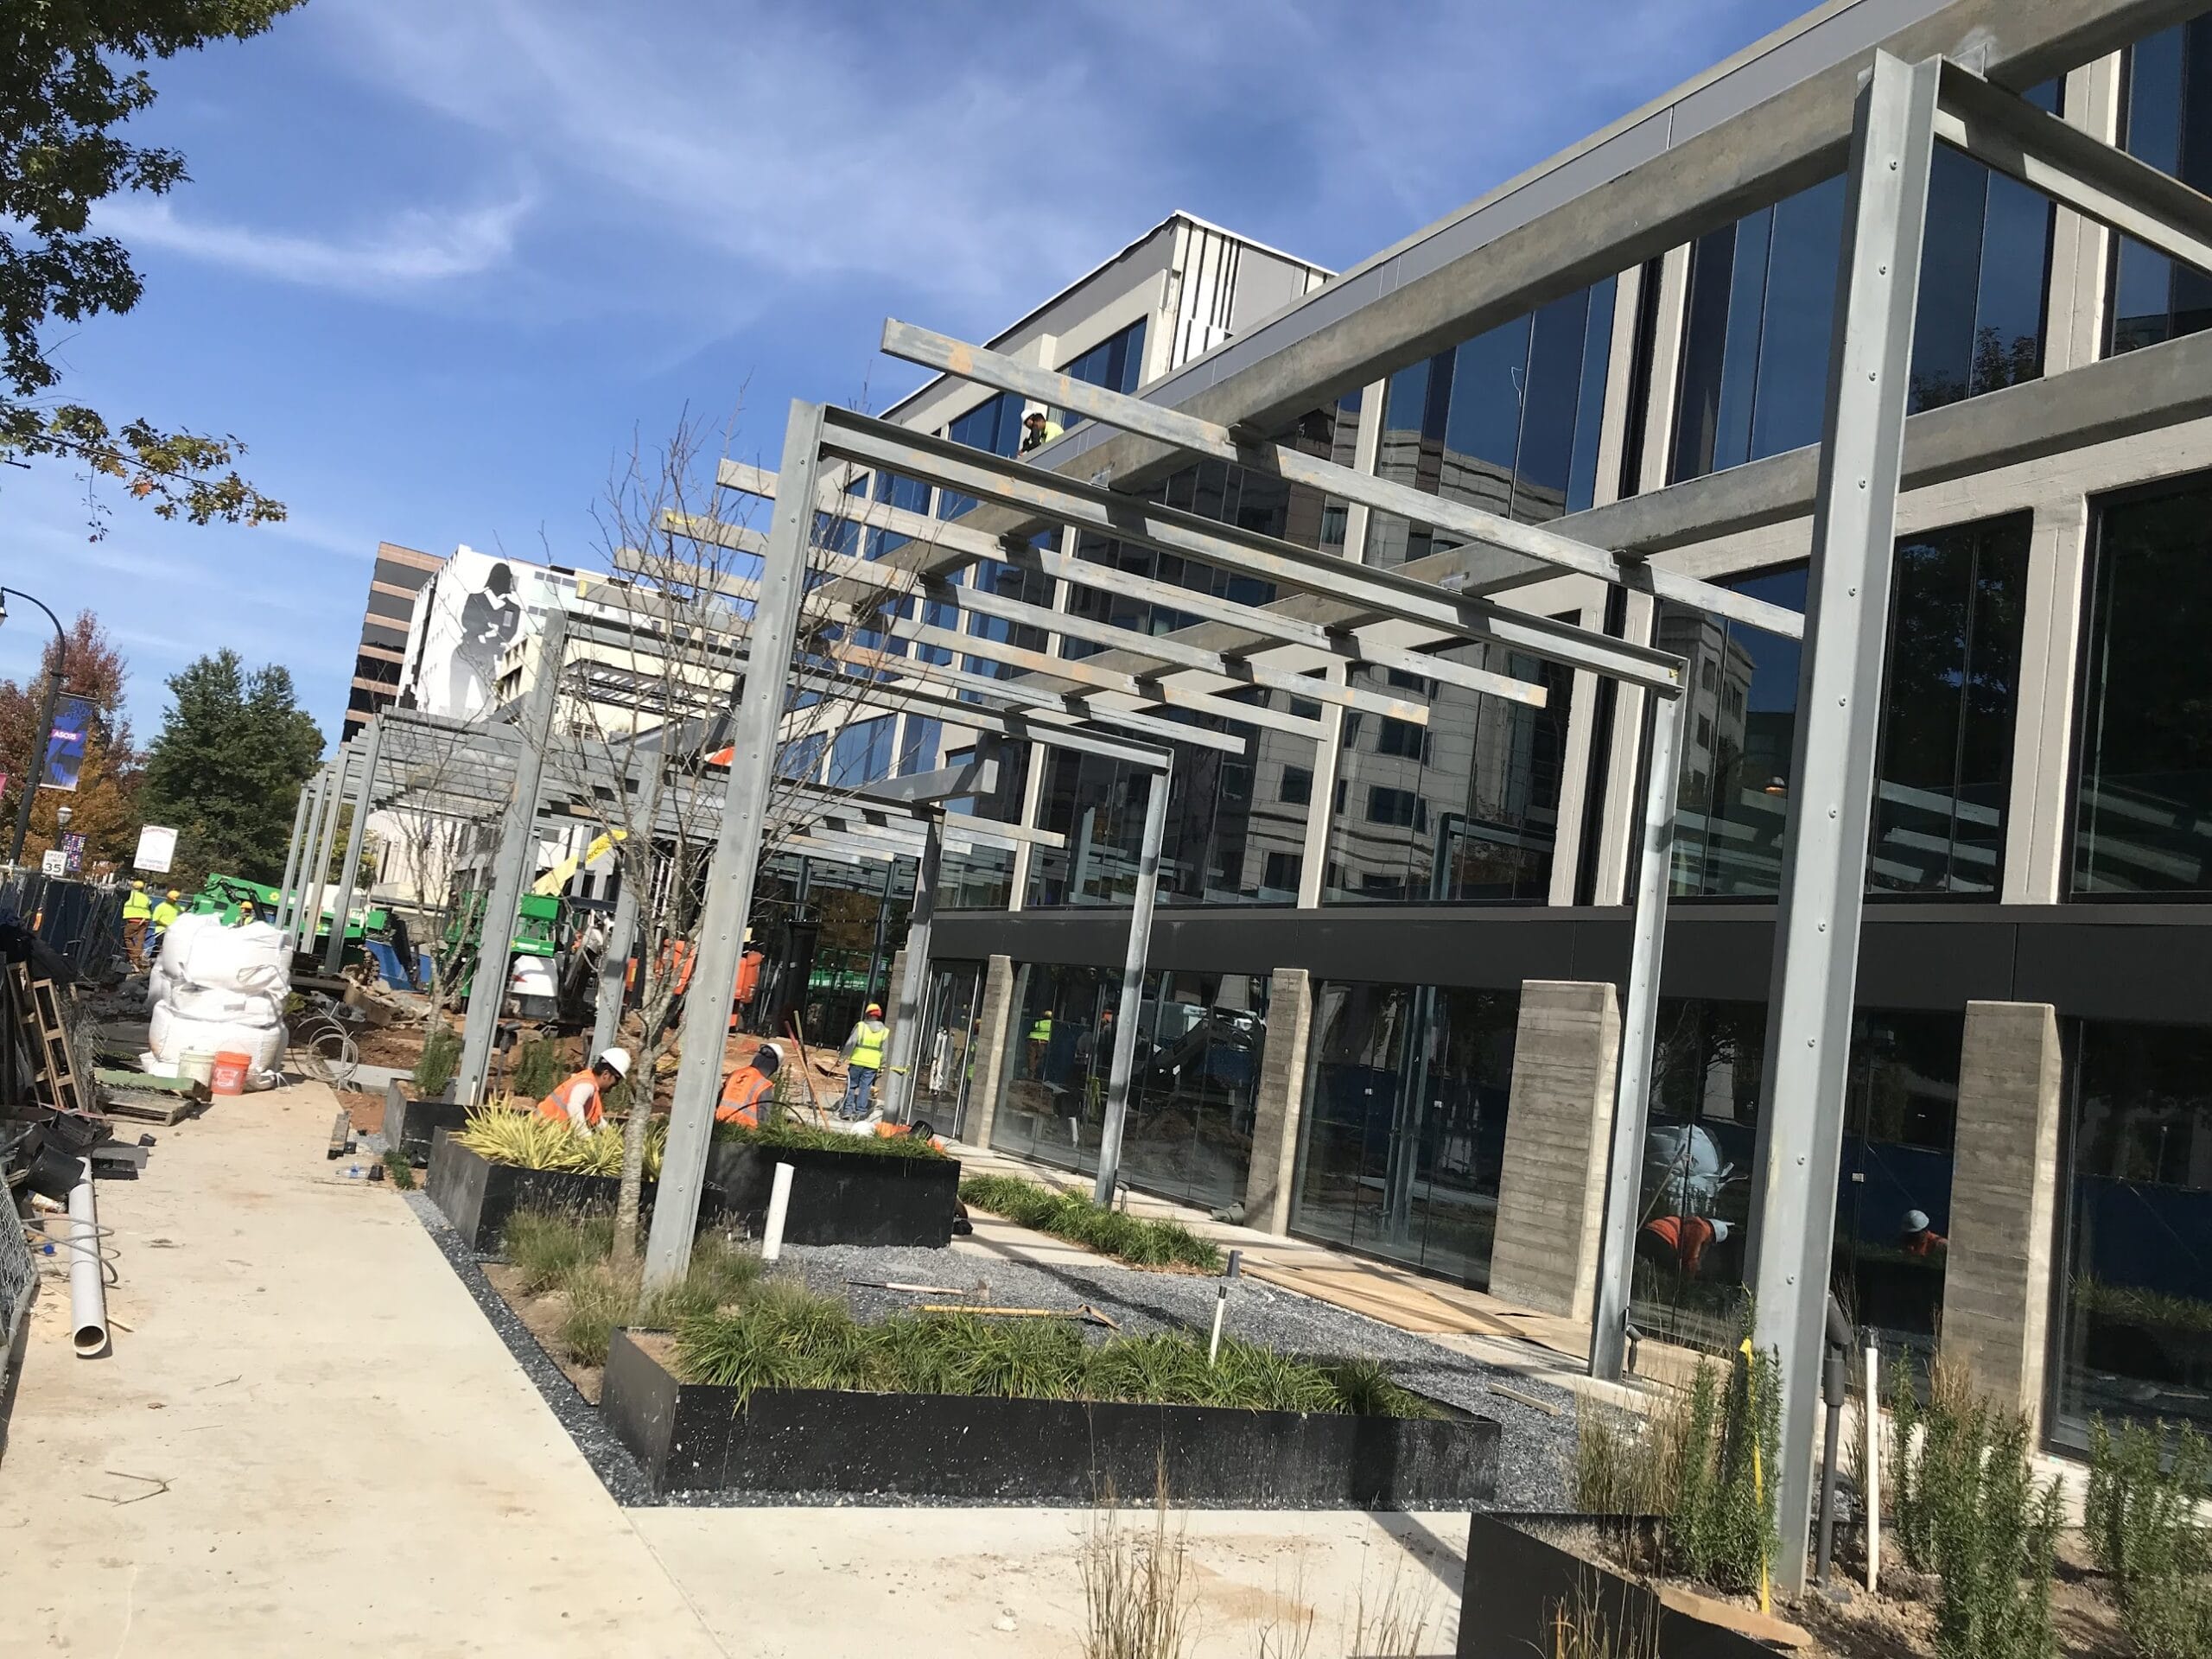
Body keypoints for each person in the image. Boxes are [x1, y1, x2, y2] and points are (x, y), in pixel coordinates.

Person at [535, 1046, 629, 1133]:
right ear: (606, 1074)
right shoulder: (586, 1085)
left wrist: (612, 1136)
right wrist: (587, 1139)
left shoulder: (590, 1082)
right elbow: (574, 1107)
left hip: (548, 1131)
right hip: (542, 1131)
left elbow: (596, 1120)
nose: (615, 1084)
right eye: (617, 1080)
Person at [1637, 1213, 1729, 1279]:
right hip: (1663, 1238)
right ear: (1712, 1237)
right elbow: (1691, 1257)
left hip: (1649, 1231)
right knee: (1676, 1269)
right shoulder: (1702, 1230)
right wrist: (1692, 1274)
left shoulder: (1690, 1221)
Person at [838, 1002, 889, 1120]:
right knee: (865, 1088)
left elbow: (850, 1043)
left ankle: (847, 1111)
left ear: (867, 1014)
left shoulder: (861, 1026)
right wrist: (883, 1065)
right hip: (872, 1065)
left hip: (857, 1062)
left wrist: (842, 1059)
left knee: (851, 1086)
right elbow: (885, 1050)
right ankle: (860, 1113)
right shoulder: (884, 1031)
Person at [716, 1045, 782, 1128]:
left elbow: (718, 1099)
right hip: (744, 1131)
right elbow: (764, 1118)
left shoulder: (735, 1074)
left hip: (720, 1125)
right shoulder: (764, 1085)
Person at [121, 880, 152, 969]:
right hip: (145, 920)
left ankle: (135, 957)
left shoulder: (128, 895)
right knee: (140, 940)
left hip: (131, 919)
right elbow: (150, 907)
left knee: (127, 938)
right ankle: (139, 957)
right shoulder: (146, 897)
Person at [150, 887, 182, 957]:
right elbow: (156, 919)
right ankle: (152, 960)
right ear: (169, 898)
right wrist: (167, 925)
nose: (175, 901)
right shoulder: (161, 907)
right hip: (162, 931)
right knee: (158, 947)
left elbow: (182, 912)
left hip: (172, 931)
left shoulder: (176, 906)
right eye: (173, 900)